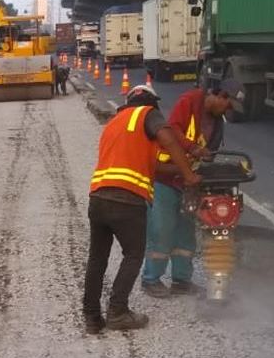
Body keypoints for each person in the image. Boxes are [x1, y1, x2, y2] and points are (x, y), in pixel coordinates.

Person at [83, 85, 200, 333]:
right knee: (134, 255)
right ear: (151, 103)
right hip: (127, 200)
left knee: (97, 258)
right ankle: (117, 312)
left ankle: (92, 317)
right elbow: (168, 137)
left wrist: (179, 170)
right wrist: (189, 174)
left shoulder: (115, 124)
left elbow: (155, 167)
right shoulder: (146, 113)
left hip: (98, 197)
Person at [140, 79, 244, 297]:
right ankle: (151, 280)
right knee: (162, 229)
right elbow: (173, 128)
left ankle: (181, 281)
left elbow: (210, 151)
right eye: (228, 104)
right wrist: (192, 148)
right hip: (165, 177)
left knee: (186, 233)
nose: (228, 110)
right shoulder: (190, 100)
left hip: (189, 181)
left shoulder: (217, 122)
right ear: (220, 95)